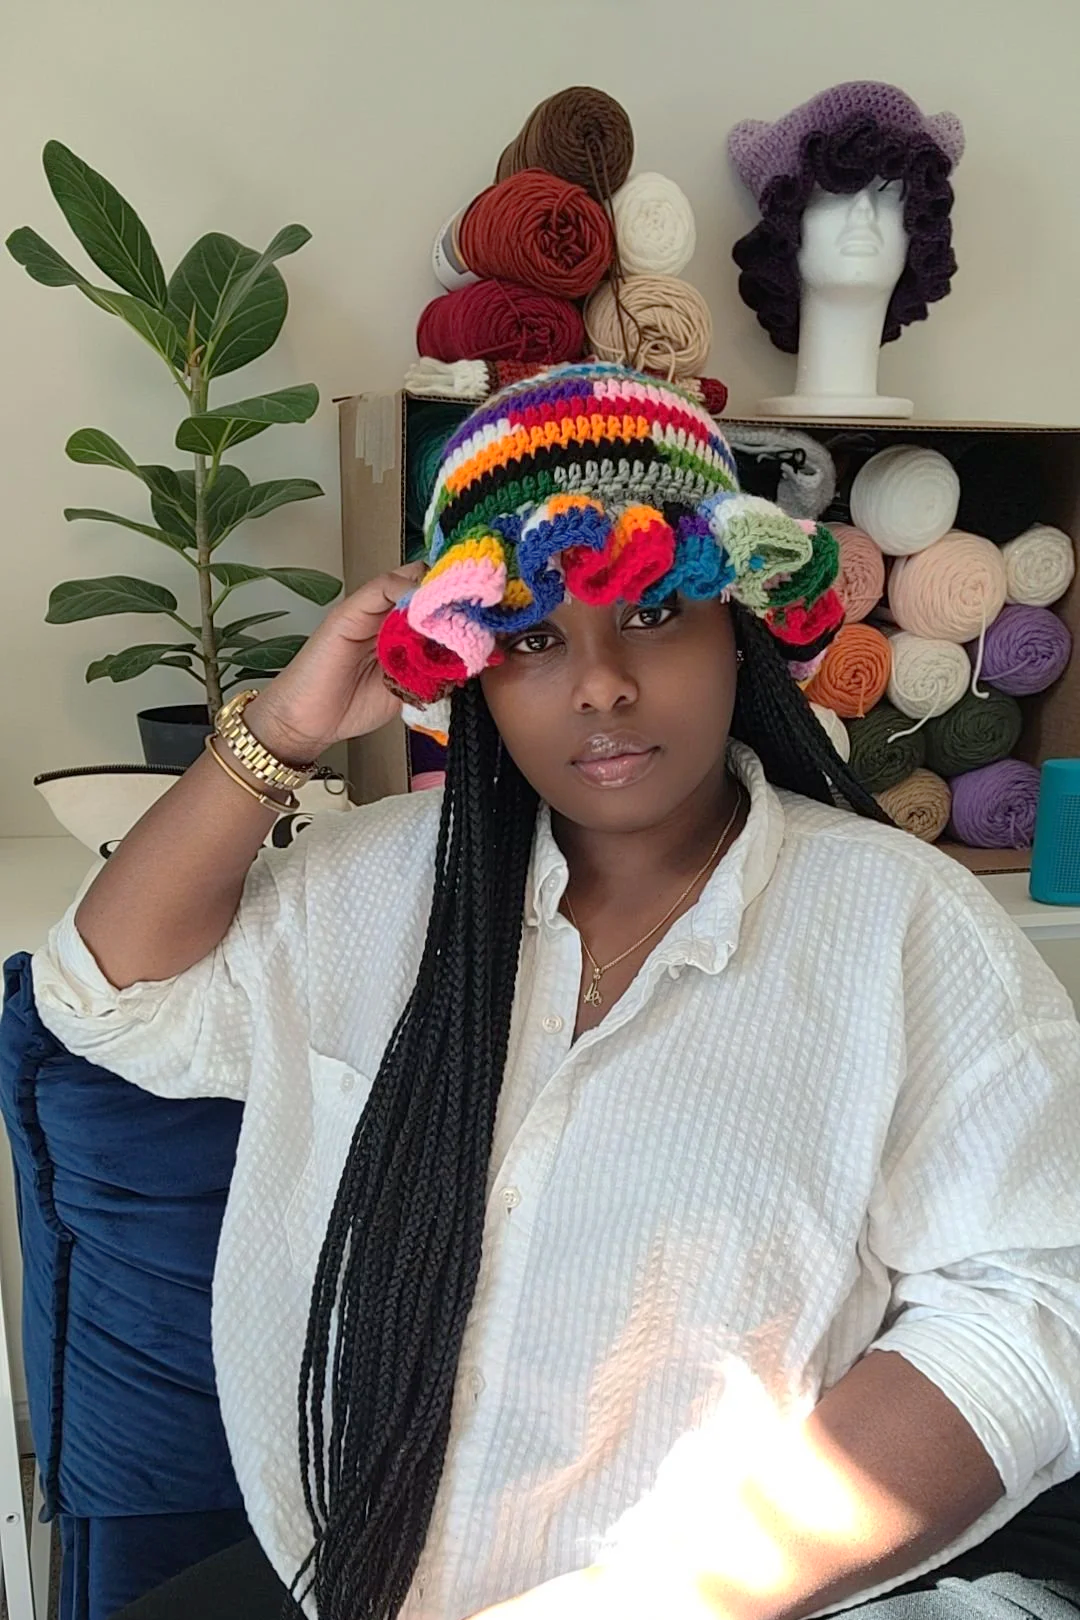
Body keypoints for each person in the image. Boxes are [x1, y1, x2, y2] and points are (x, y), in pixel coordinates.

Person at [31, 364, 1080, 1620]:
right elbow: (104, 998)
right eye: (530, 638)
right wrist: (290, 726)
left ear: (735, 625)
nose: (599, 684)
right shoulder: (368, 889)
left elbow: (1035, 1307)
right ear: (471, 668)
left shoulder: (901, 928)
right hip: (347, 1573)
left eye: (652, 613)